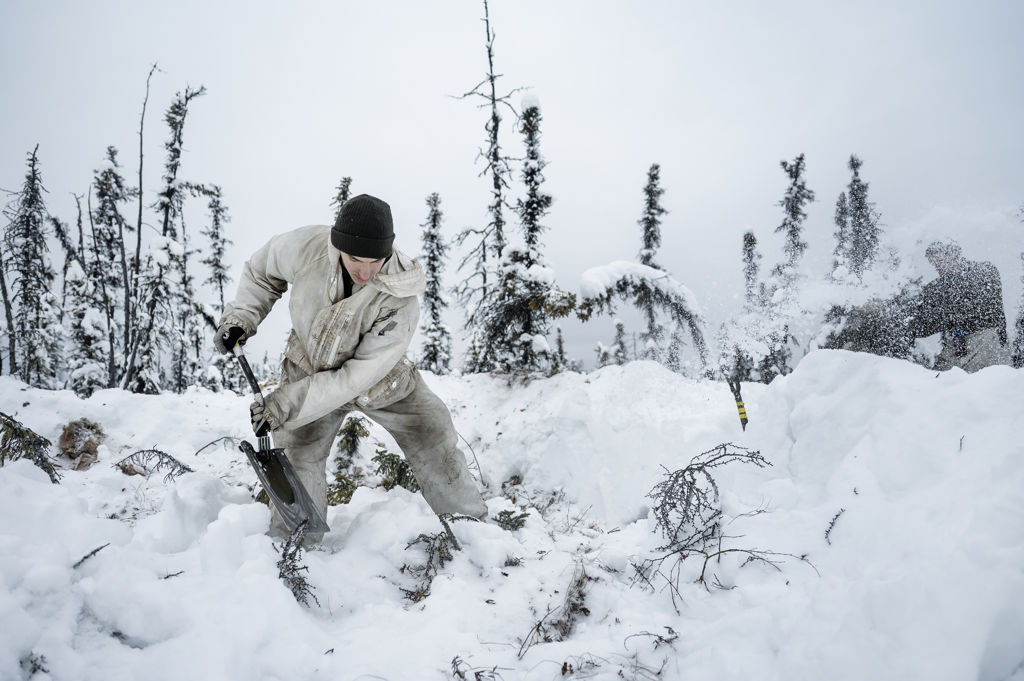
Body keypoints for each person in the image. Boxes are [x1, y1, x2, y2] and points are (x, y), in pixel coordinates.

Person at [213, 194, 487, 540]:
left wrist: (286, 403)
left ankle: (472, 532)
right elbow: (261, 271)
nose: (366, 271)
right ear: (337, 245)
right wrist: (242, 316)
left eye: (376, 260)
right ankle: (295, 544)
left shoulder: (401, 293)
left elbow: (356, 377)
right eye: (356, 258)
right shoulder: (306, 249)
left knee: (432, 430)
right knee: (298, 450)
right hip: (308, 367)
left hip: (379, 380)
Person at [907, 239, 1011, 372]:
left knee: (985, 385)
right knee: (940, 381)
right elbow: (926, 323)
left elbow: (963, 309)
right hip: (958, 345)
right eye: (933, 264)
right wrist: (905, 328)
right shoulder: (939, 287)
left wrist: (939, 297)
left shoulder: (984, 272)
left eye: (939, 262)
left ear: (955, 256)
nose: (937, 268)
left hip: (987, 343)